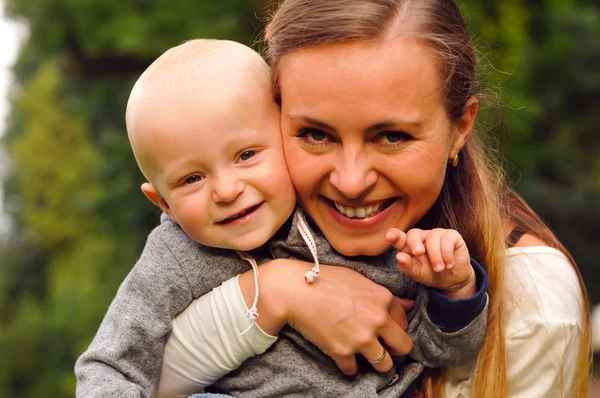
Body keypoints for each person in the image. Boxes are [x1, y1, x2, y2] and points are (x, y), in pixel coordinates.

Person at [158, 0, 591, 397]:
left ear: (460, 128)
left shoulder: (533, 299)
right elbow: (135, 374)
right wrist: (277, 293)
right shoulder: (239, 216)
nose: (350, 182)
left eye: (391, 136)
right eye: (315, 134)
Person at [74, 38, 489, 397]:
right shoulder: (175, 258)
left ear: (287, 137)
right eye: (192, 178)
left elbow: (441, 351)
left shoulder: (354, 220)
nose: (227, 190)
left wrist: (454, 289)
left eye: (247, 155)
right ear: (162, 203)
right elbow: (110, 367)